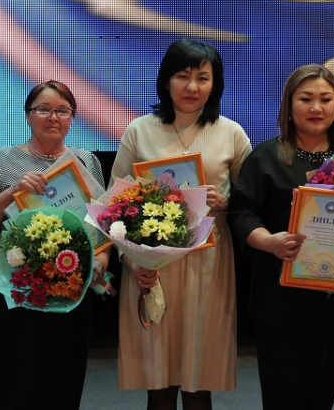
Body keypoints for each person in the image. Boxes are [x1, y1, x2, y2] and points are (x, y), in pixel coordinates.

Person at [228, 64, 334, 410]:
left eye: (325, 99)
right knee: (282, 397)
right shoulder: (267, 156)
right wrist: (268, 241)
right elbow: (241, 214)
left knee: (322, 395)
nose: (316, 108)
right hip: (280, 300)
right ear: (289, 105)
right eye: (306, 99)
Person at [111, 39, 252, 410]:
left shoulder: (232, 133)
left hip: (209, 264)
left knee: (198, 382)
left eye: (203, 78)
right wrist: (132, 261)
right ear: (166, 80)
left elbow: (251, 203)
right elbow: (112, 205)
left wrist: (227, 202)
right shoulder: (139, 130)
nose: (192, 87)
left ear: (215, 84)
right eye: (182, 76)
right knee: (157, 383)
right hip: (151, 265)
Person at [0, 80, 108, 410]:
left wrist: (103, 259)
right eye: (43, 109)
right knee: (16, 392)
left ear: (72, 118)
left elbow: (102, 225)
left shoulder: (85, 160)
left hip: (71, 293)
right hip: (15, 295)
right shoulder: (1, 160)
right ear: (28, 116)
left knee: (64, 391)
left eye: (62, 110)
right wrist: (12, 191)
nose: (53, 117)